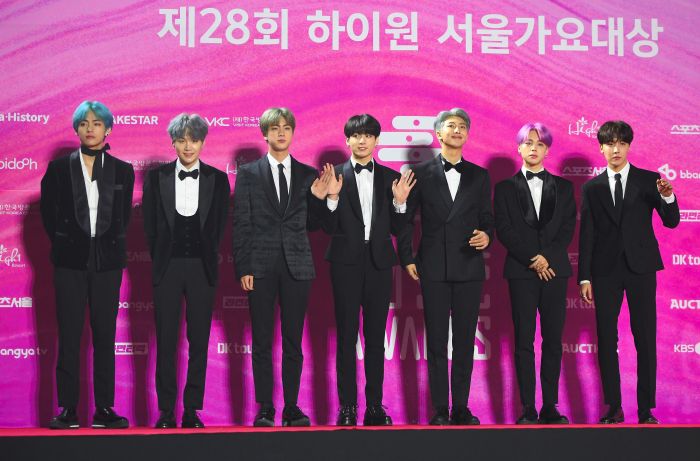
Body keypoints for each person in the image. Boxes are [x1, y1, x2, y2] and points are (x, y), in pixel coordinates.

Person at [232, 107, 337, 427]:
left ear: (292, 133)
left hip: (297, 265)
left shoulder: (307, 174)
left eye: (286, 127)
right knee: (262, 341)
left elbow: (317, 225)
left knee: (293, 341)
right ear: (265, 133)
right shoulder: (248, 173)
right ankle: (265, 407)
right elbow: (241, 223)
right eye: (275, 128)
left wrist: (322, 198)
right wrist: (244, 267)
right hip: (260, 266)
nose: (281, 132)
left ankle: (291, 406)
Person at [40, 100, 134, 429]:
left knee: (105, 335)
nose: (90, 128)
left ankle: (104, 408)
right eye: (84, 123)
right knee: (68, 335)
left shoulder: (123, 170)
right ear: (76, 129)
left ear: (108, 129)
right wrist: (68, 243)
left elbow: (123, 216)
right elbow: (49, 215)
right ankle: (68, 409)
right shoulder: (57, 168)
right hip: (70, 261)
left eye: (96, 123)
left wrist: (104, 245)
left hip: (108, 261)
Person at [578, 120, 679, 424]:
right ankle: (614, 407)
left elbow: (671, 221)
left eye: (622, 143)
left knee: (645, 337)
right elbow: (587, 235)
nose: (616, 149)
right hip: (605, 271)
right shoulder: (592, 188)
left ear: (629, 146)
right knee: (607, 339)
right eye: (610, 144)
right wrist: (584, 276)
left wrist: (668, 197)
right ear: (601, 148)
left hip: (641, 268)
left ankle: (646, 409)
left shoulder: (649, 180)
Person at [398, 108, 494, 425]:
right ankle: (440, 408)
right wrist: (407, 257)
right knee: (437, 341)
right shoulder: (419, 173)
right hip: (433, 266)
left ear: (467, 134)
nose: (457, 130)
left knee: (465, 342)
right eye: (451, 125)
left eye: (462, 126)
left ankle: (461, 407)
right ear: (438, 133)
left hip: (469, 266)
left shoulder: (479, 176)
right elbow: (406, 220)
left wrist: (487, 236)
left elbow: (487, 219)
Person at [321, 114, 415, 426]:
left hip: (379, 263)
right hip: (345, 263)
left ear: (376, 140)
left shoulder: (391, 179)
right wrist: (332, 197)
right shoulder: (334, 176)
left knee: (376, 338)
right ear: (347, 140)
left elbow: (400, 228)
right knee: (346, 337)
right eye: (356, 135)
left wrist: (400, 203)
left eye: (368, 135)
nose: (362, 141)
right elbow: (325, 227)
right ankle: (347, 407)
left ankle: (374, 406)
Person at [142, 114, 230, 429]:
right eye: (181, 140)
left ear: (203, 142)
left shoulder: (218, 179)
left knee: (199, 341)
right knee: (165, 341)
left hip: (201, 269)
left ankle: (192, 409)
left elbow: (219, 225)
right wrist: (161, 258)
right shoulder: (156, 178)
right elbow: (149, 226)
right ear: (173, 143)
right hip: (167, 268)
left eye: (194, 140)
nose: (188, 146)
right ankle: (166, 411)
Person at [494, 123, 576, 424]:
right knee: (524, 341)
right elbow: (503, 229)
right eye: (528, 143)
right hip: (521, 271)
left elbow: (567, 227)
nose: (533, 148)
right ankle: (527, 406)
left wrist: (547, 258)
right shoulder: (504, 188)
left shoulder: (564, 188)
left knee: (553, 340)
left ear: (547, 150)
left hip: (555, 271)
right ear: (519, 148)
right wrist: (533, 259)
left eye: (539, 144)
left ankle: (550, 405)